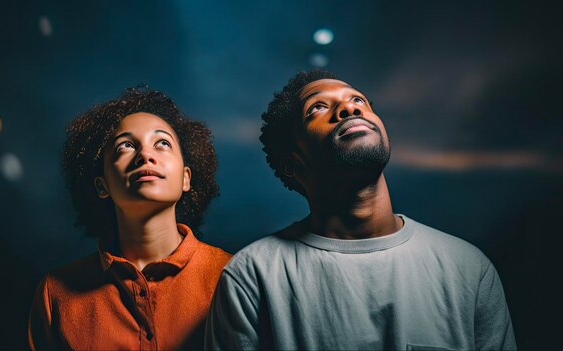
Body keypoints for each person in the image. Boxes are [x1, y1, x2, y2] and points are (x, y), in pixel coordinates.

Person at [205, 69, 516, 350]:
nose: (349, 108)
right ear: (294, 164)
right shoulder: (252, 276)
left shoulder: (468, 268)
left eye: (359, 100)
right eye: (317, 107)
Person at [28, 87, 231, 350]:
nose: (145, 155)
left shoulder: (233, 275)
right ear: (102, 186)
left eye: (162, 143)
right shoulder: (54, 295)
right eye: (126, 145)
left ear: (185, 178)